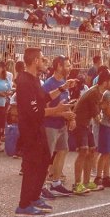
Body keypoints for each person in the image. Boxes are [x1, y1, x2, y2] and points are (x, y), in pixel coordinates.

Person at [15, 48, 74, 217]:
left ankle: (34, 197)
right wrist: (58, 110)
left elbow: (44, 98)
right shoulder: (25, 82)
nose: (45, 61)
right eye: (42, 59)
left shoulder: (34, 80)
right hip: (30, 130)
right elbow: (35, 111)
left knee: (43, 162)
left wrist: (62, 89)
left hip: (37, 128)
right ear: (35, 61)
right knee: (31, 166)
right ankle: (23, 205)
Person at [42, 56, 78, 196]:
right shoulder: (48, 85)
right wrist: (63, 115)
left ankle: (56, 183)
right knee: (47, 156)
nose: (70, 68)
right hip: (50, 125)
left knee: (63, 151)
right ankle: (43, 186)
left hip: (61, 124)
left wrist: (70, 117)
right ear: (58, 66)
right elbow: (44, 111)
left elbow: (65, 102)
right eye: (67, 65)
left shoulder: (64, 82)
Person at [71, 68, 110, 194]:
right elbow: (97, 116)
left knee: (91, 151)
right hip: (80, 123)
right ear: (105, 82)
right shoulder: (94, 93)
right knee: (83, 151)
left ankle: (87, 182)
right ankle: (77, 184)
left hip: (86, 124)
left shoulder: (99, 92)